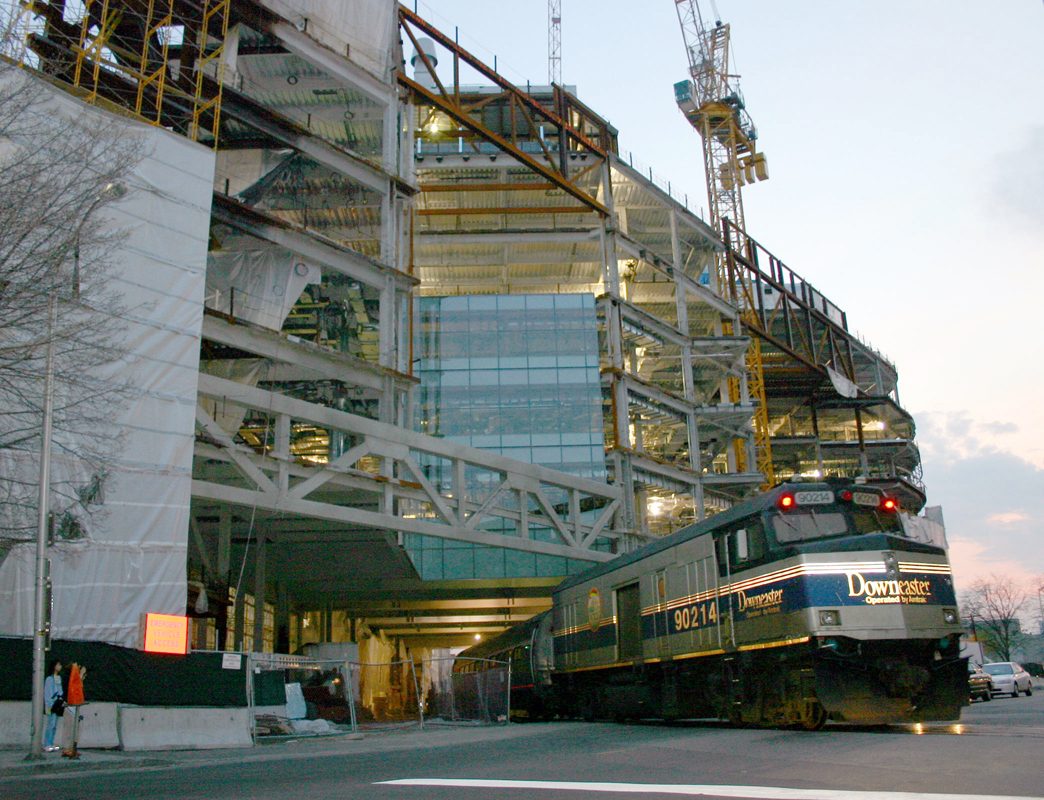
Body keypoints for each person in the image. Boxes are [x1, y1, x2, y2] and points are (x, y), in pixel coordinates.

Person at [43, 658, 64, 752]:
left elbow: (61, 691)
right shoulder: (49, 679)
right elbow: (47, 693)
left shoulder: (59, 678)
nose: (60, 667)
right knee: (51, 724)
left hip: (58, 703)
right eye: (58, 665)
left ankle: (51, 743)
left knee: (55, 724)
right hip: (51, 705)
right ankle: (47, 743)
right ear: (54, 666)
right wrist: (50, 704)